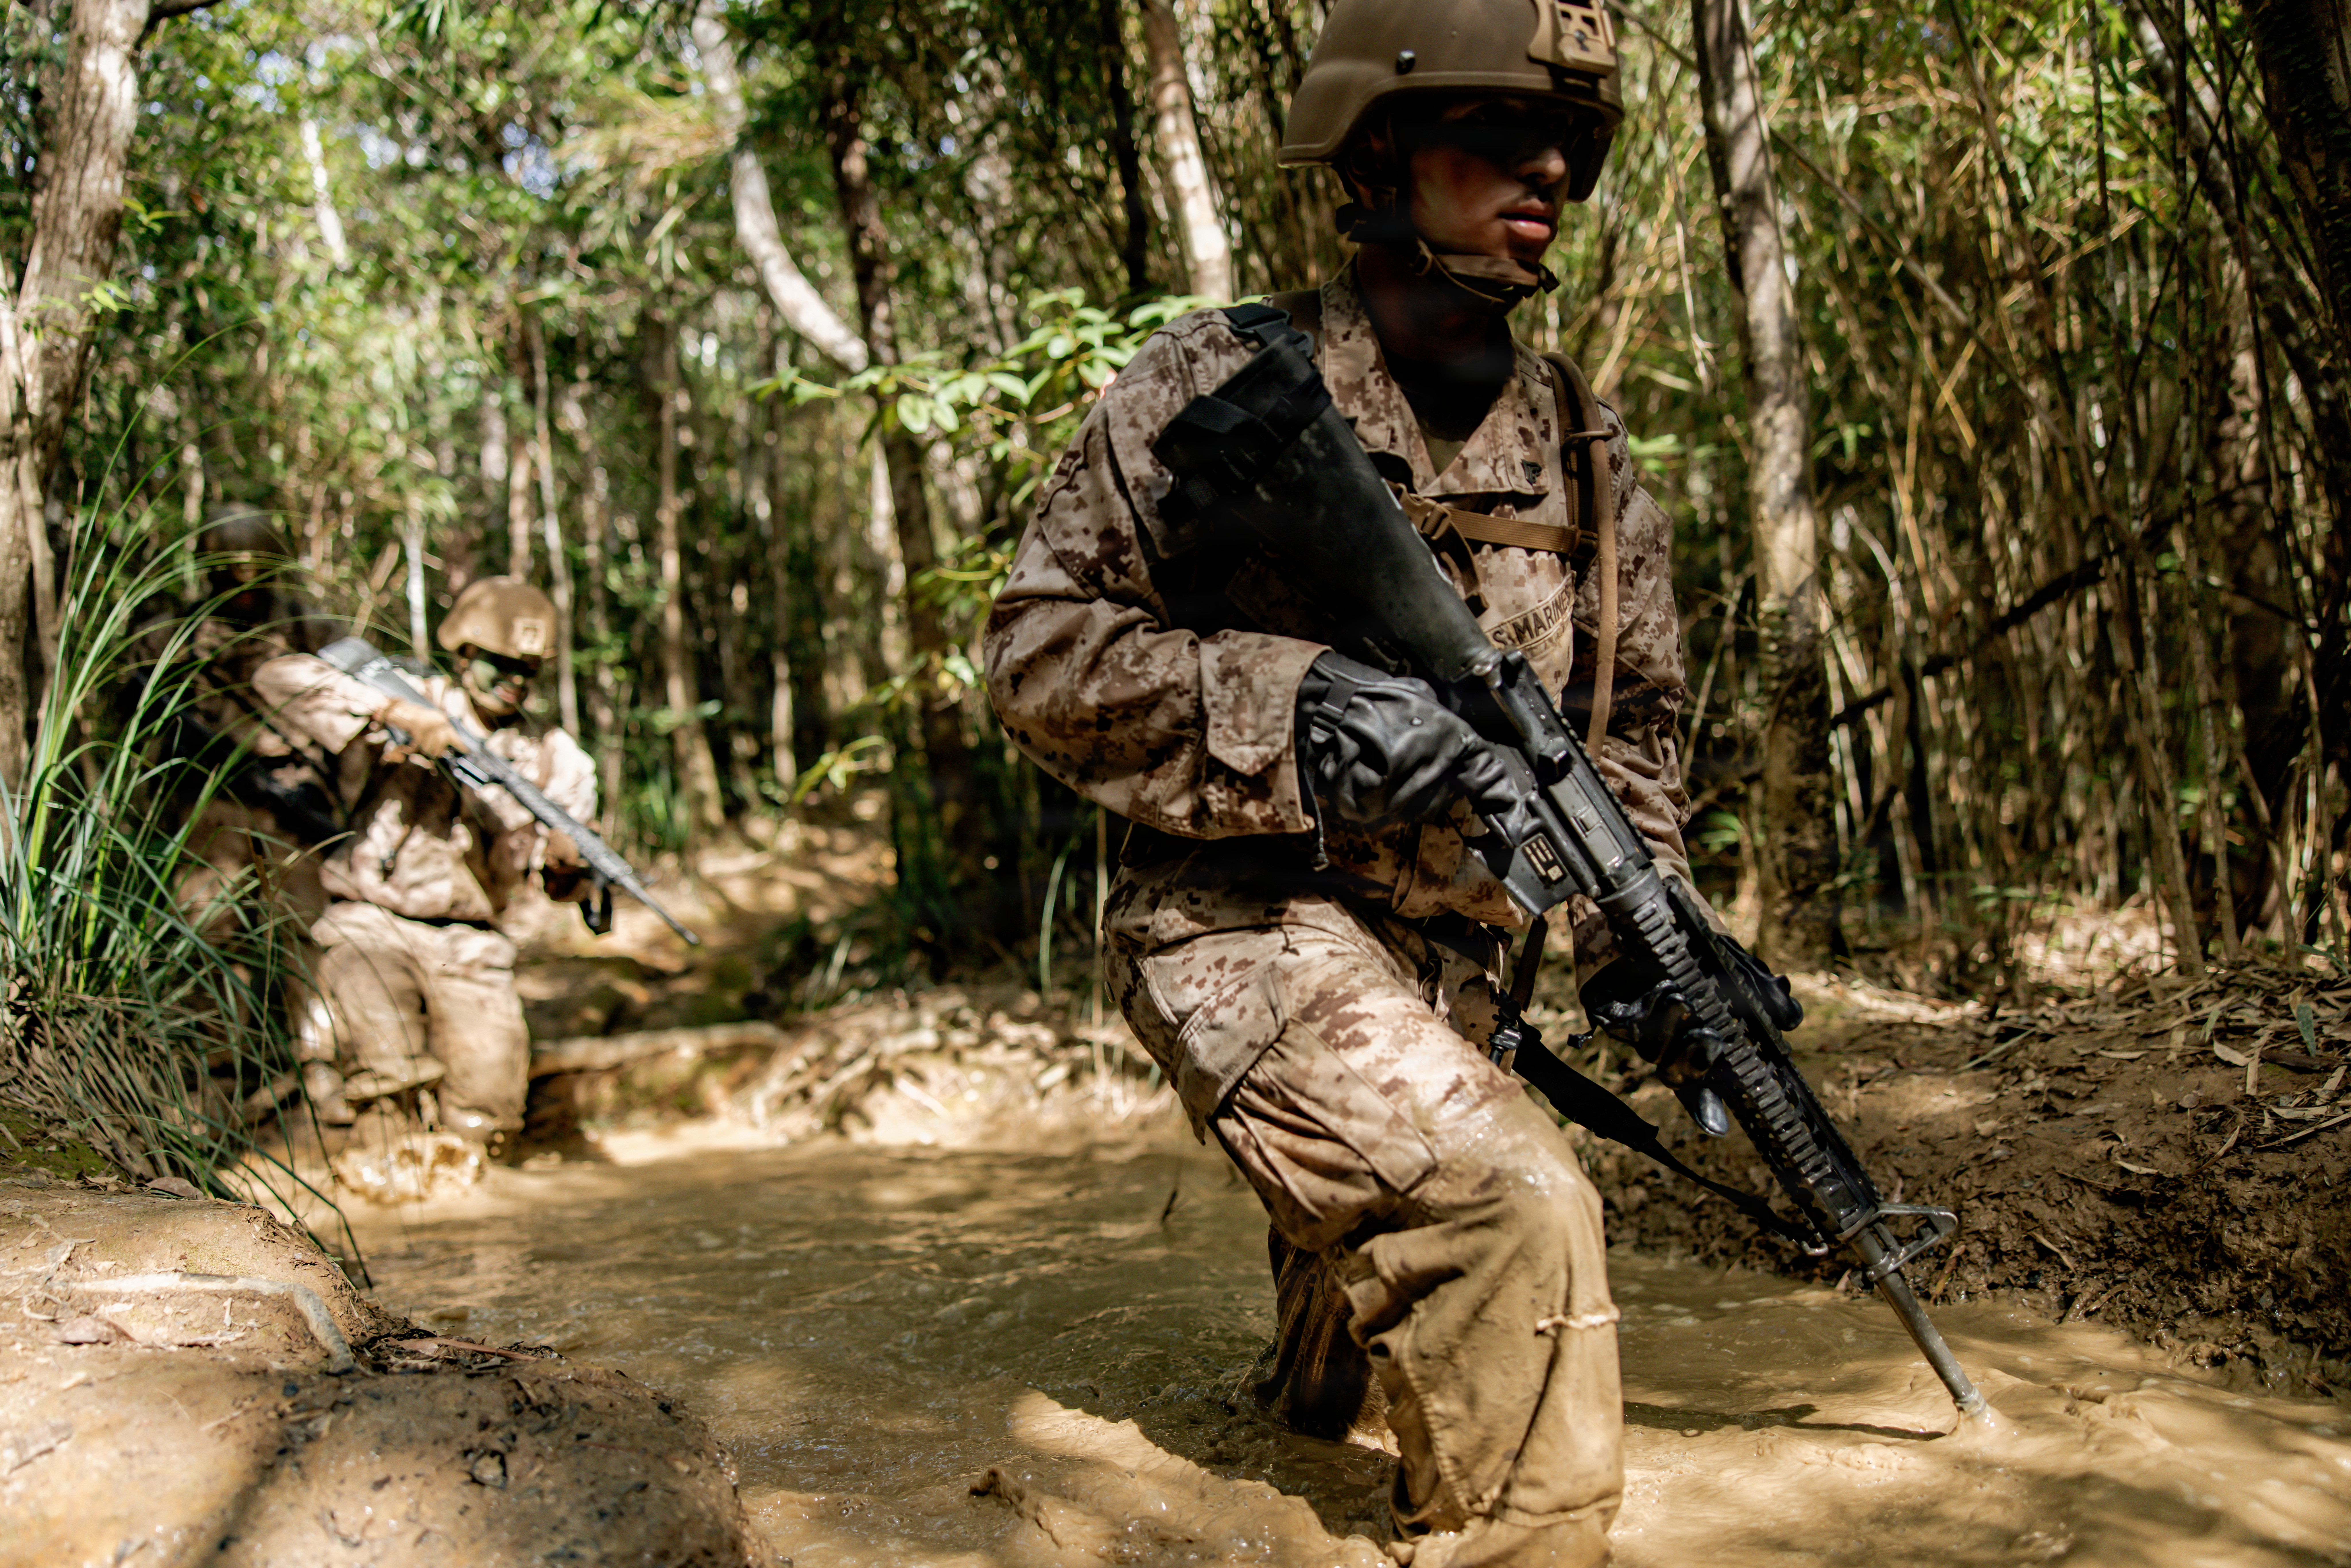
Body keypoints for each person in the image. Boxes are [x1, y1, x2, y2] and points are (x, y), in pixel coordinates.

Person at [984, 3, 1713, 1564]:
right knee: (1515, 1213)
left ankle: (1312, 1377)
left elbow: (1629, 736)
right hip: (1237, 925)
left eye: (1571, 142)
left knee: (1344, 1382)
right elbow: (1035, 658)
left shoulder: (1585, 448)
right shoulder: (1215, 383)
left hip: (1453, 967)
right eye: (1493, 133)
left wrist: (1647, 939)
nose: (1547, 168)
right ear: (1378, 150)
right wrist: (1293, 703)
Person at [253, 576, 595, 1152]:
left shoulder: (555, 757)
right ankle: (397, 1206)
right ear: (465, 655)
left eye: (528, 670)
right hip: (370, 920)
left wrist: (567, 864)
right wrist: (395, 714)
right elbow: (277, 678)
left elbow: (556, 886)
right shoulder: (412, 696)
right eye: (501, 664)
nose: (515, 681)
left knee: (488, 1116)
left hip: (472, 939)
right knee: (385, 1087)